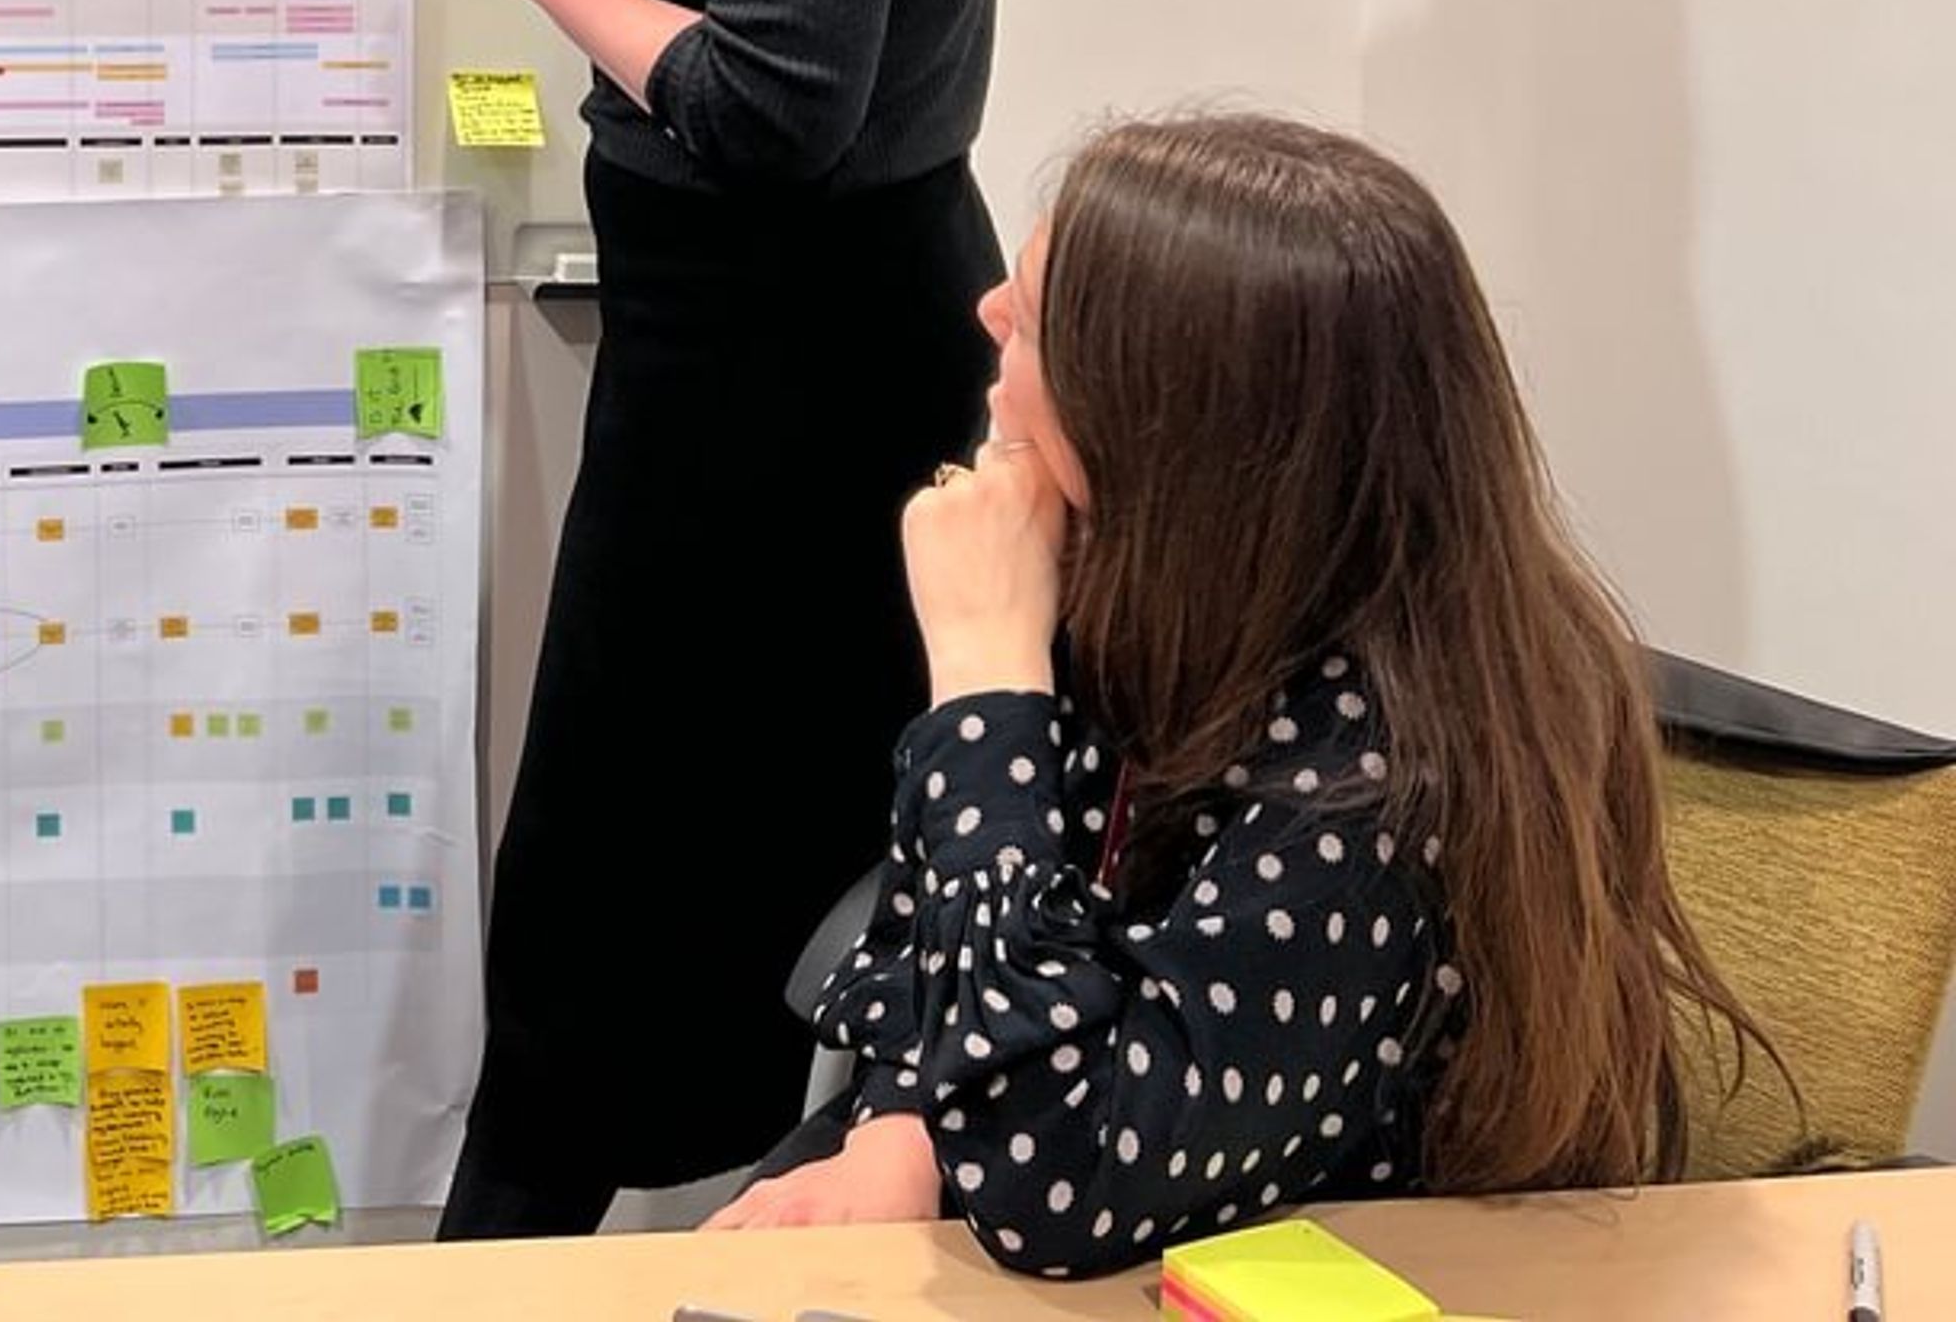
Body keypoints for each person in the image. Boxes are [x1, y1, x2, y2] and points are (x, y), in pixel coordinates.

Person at [708, 112, 1764, 1277]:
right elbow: (939, 936)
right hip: (1056, 1210)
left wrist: (983, 682)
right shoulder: (1139, 596)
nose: (990, 314)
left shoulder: (1382, 786)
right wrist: (902, 1125)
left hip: (1263, 1264)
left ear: (1172, 423)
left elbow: (1056, 1178)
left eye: (1042, 313)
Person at [438, 0, 1014, 1236]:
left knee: (605, 913)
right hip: (774, 375)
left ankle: (504, 1278)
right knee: (660, 915)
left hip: (780, 408)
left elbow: (776, 108)